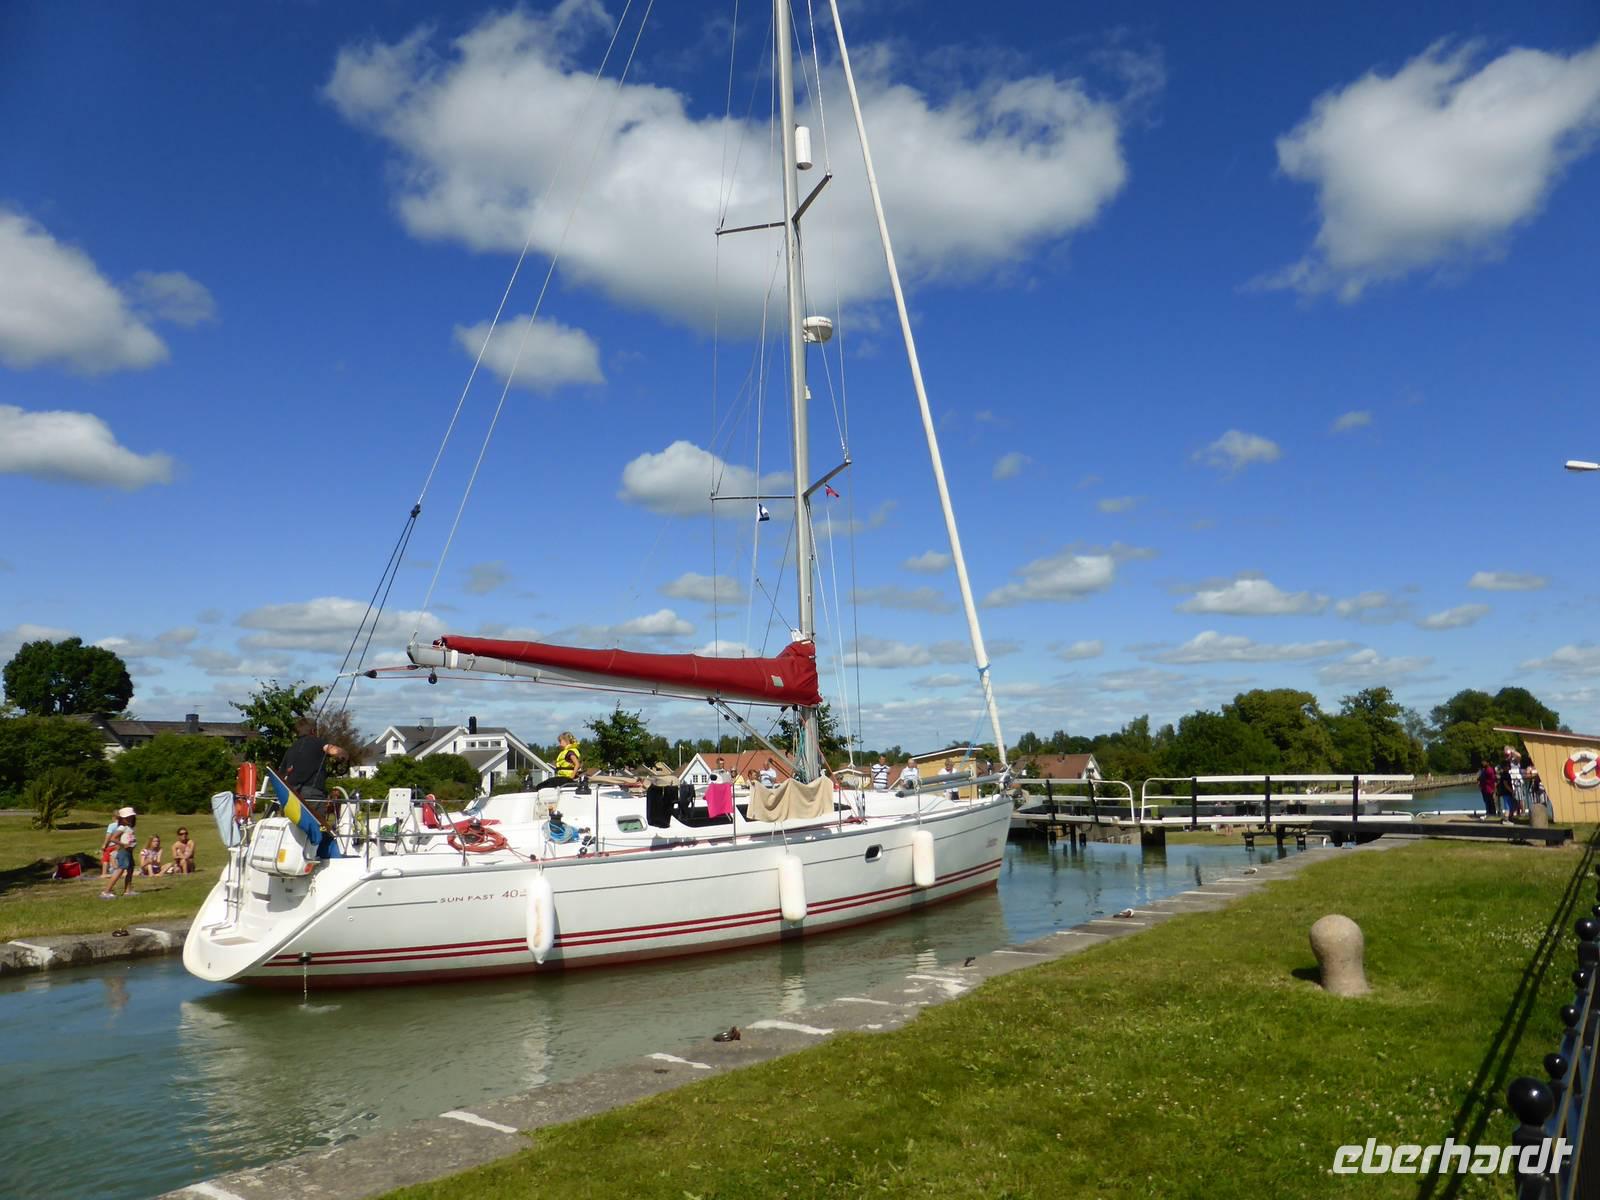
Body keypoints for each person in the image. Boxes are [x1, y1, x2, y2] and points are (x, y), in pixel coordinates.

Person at [277, 718, 348, 819]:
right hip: (312, 794)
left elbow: (281, 775)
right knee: (316, 826)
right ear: (313, 731)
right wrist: (345, 754)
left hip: (292, 794)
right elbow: (334, 751)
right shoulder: (318, 742)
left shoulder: (291, 748)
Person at [100, 807, 139, 899]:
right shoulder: (122, 827)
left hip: (129, 852)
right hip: (124, 851)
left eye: (132, 817)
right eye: (128, 817)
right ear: (122, 818)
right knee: (120, 870)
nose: (130, 819)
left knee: (130, 869)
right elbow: (113, 838)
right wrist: (123, 844)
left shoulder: (129, 827)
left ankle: (128, 890)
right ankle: (106, 891)